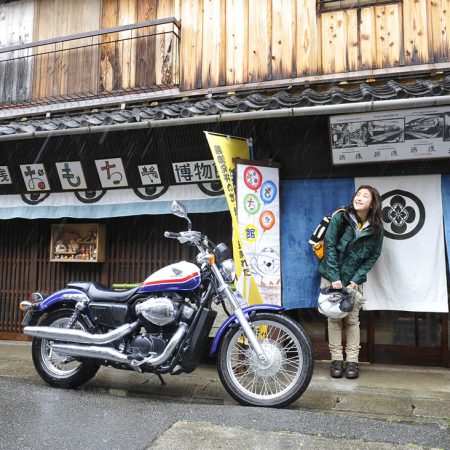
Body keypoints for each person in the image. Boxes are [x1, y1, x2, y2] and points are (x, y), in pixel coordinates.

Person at [319, 185, 384, 379]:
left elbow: (374, 255)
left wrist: (356, 279)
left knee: (352, 321)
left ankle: (353, 362)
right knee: (334, 319)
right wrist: (334, 277)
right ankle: (336, 361)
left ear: (373, 204)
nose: (359, 198)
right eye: (358, 194)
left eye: (365, 196)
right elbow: (329, 247)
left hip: (354, 281)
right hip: (333, 277)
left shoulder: (376, 227)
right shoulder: (341, 217)